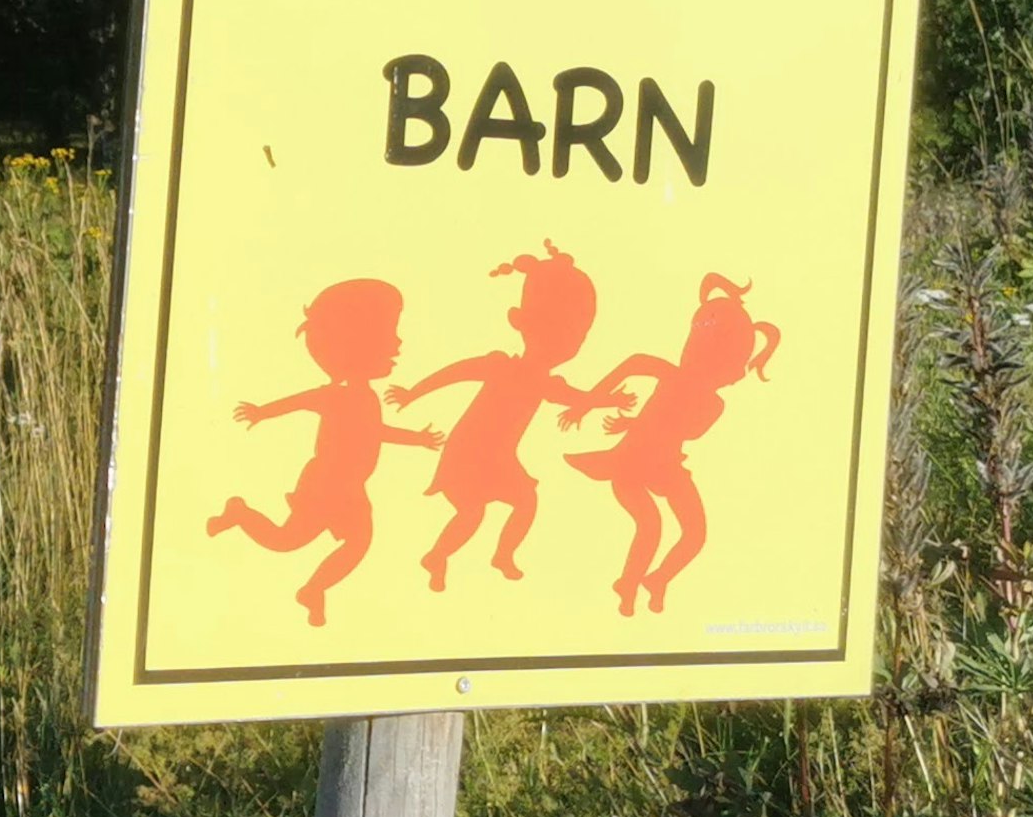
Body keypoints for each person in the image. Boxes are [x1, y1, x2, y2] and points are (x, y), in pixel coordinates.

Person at [209, 278, 443, 627]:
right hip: (324, 485)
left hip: (352, 488)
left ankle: (314, 590)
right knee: (285, 541)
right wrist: (262, 412)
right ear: (355, 345)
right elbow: (301, 402)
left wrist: (417, 439)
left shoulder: (367, 397)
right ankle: (240, 514)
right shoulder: (336, 395)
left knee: (359, 543)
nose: (397, 343)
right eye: (387, 336)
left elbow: (375, 433)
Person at [560, 273, 781, 614]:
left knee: (693, 533)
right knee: (651, 525)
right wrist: (588, 403)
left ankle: (656, 579)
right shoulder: (688, 386)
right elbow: (635, 368)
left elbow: (674, 425)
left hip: (665, 467)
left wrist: (608, 411)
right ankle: (629, 584)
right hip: (632, 461)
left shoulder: (709, 401)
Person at [390, 245, 598, 591]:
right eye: (558, 330)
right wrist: (414, 392)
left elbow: (573, 396)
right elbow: (455, 373)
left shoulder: (544, 382)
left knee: (525, 502)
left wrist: (605, 399)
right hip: (467, 455)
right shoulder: (501, 366)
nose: (566, 342)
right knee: (472, 513)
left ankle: (501, 555)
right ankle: (438, 556)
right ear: (519, 320)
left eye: (575, 335)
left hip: (499, 459)